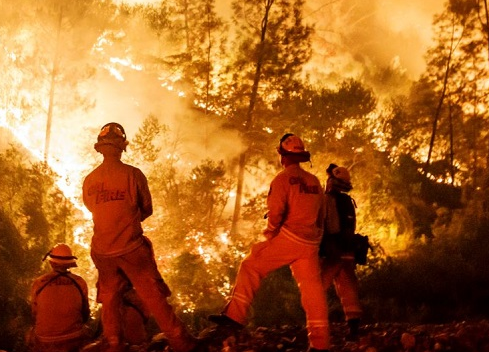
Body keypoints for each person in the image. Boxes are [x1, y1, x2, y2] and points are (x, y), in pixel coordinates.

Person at [208, 133, 331, 352]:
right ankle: (320, 344)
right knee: (313, 291)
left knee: (251, 264)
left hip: (290, 237)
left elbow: (276, 213)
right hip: (311, 242)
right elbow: (322, 215)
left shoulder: (282, 180)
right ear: (301, 156)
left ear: (283, 156)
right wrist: (316, 239)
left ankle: (234, 317)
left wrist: (271, 234)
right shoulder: (314, 181)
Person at [82, 122, 198, 352]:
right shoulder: (133, 175)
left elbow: (91, 208)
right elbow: (147, 208)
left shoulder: (90, 180)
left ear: (101, 149)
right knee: (152, 294)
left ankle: (113, 342)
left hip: (102, 251)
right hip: (131, 247)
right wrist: (128, 219)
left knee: (110, 296)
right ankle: (180, 340)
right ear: (121, 147)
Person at [320, 164, 363, 341]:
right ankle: (354, 328)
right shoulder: (347, 202)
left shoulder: (325, 200)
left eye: (330, 178)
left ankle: (317, 329)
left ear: (333, 181)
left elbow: (325, 228)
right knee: (348, 291)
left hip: (332, 254)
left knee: (317, 288)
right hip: (346, 253)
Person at [29, 243, 92, 352]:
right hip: (74, 338)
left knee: (29, 335)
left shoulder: (39, 283)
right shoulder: (79, 282)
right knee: (88, 332)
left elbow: (34, 313)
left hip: (45, 341)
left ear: (51, 262)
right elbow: (85, 313)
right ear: (70, 264)